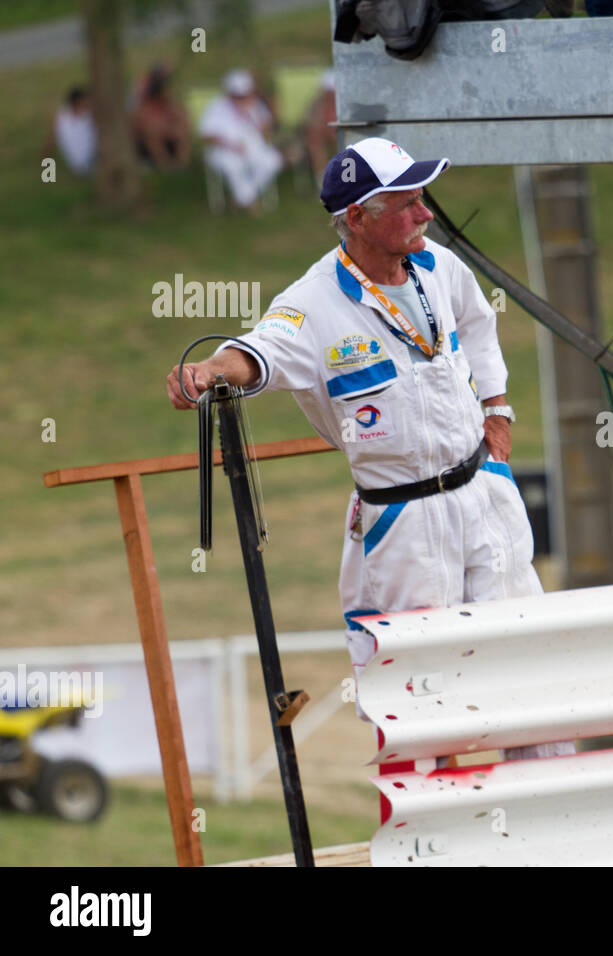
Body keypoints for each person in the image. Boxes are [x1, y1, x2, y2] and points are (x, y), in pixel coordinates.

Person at [166, 137, 573, 763]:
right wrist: (209, 373)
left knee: (530, 675)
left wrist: (498, 411)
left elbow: (481, 323)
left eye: (420, 198)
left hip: (484, 494)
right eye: (405, 202)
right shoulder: (310, 304)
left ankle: (548, 836)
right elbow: (258, 352)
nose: (424, 213)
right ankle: (431, 847)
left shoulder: (436, 264)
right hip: (403, 523)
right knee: (418, 696)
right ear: (357, 218)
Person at [198, 69, 283, 210]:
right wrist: (230, 145)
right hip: (224, 149)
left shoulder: (255, 104)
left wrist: (252, 115)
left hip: (253, 146)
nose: (241, 98)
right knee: (233, 166)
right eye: (238, 95)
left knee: (273, 161)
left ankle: (243, 198)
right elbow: (207, 135)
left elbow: (267, 127)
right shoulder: (216, 106)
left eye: (244, 94)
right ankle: (249, 202)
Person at [132, 64, 191, 170]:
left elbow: (180, 117)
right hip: (144, 144)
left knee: (181, 130)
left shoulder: (168, 100)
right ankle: (166, 168)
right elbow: (143, 121)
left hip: (167, 139)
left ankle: (181, 168)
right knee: (153, 131)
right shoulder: (142, 97)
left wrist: (173, 128)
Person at [47, 86, 96, 177]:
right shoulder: (89, 116)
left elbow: (51, 140)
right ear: (78, 102)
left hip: (76, 166)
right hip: (89, 164)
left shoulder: (61, 115)